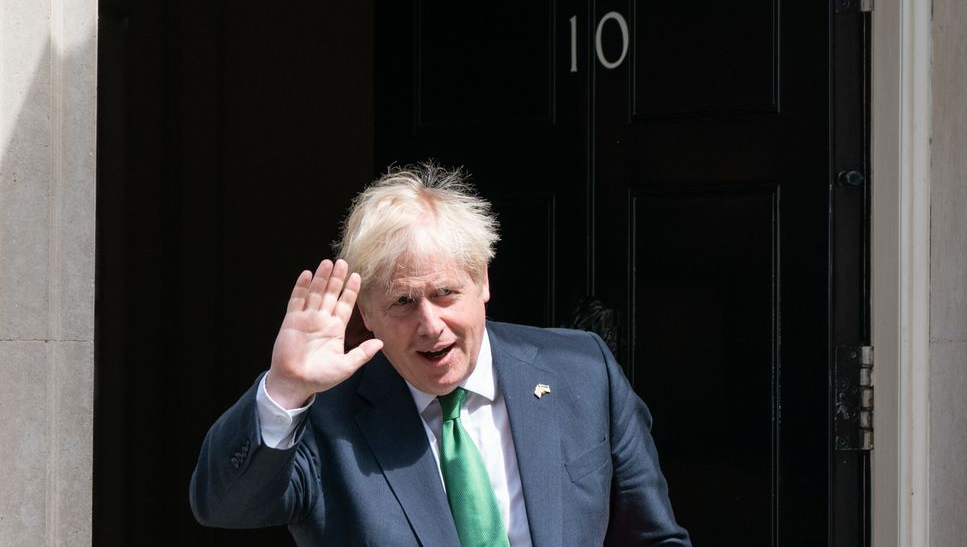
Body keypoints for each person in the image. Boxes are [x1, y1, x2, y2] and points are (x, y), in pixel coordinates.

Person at [190, 163, 691, 546]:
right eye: (403, 302)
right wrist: (285, 388)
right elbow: (225, 507)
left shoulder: (583, 372)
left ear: (483, 281)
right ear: (365, 312)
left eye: (446, 293)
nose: (430, 325)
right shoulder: (326, 416)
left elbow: (653, 537)